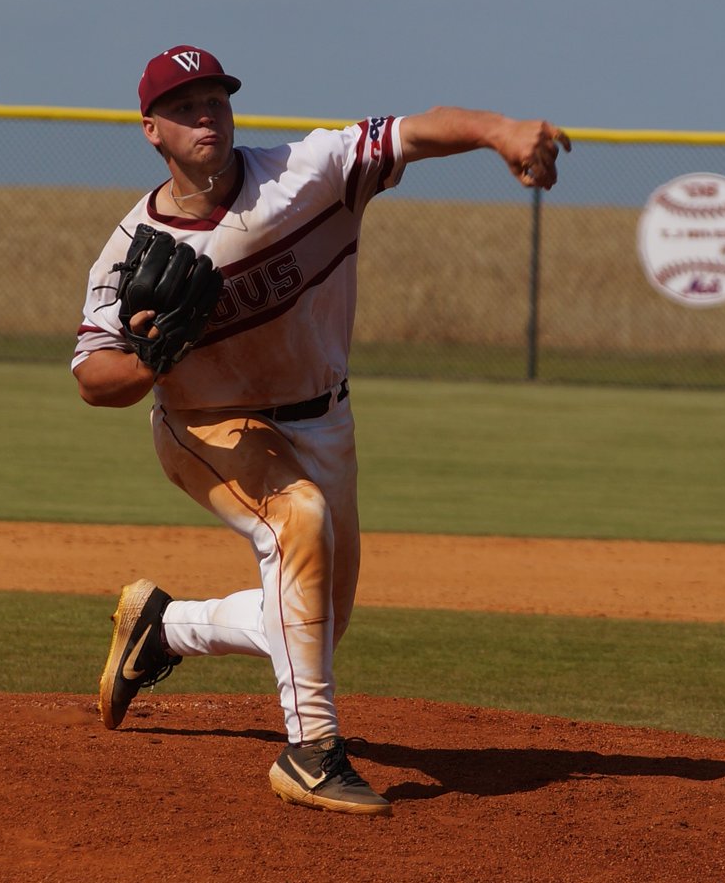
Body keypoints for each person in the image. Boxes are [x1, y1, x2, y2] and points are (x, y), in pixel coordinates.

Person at [72, 44, 569, 817]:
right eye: (185, 106)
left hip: (325, 416)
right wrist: (147, 357)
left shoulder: (308, 172)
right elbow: (91, 379)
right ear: (152, 131)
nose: (206, 114)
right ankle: (311, 754)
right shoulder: (131, 250)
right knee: (295, 518)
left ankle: (163, 627)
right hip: (207, 430)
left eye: (216, 100)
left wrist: (501, 131)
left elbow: (418, 129)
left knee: (315, 627)